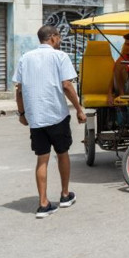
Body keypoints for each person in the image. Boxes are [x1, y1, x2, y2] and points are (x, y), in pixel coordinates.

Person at [14, 25, 87, 219]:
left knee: (42, 159)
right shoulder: (59, 56)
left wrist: (22, 113)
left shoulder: (25, 58)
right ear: (53, 37)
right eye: (59, 38)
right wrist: (79, 109)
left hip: (36, 118)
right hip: (56, 115)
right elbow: (67, 85)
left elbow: (19, 90)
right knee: (62, 154)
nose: (60, 41)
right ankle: (64, 195)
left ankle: (43, 204)